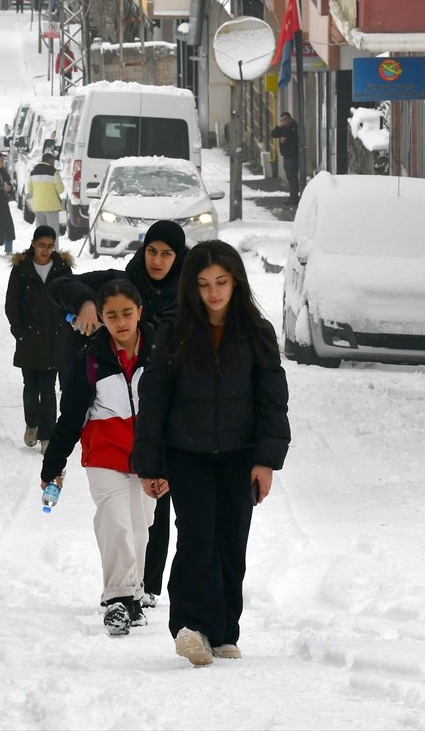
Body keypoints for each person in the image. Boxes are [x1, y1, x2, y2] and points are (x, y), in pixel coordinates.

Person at [131, 239, 290, 667]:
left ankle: (223, 632)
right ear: (192, 287)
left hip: (241, 455)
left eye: (221, 282)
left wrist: (266, 460)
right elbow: (155, 400)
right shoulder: (174, 332)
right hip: (187, 454)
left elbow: (272, 400)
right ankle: (190, 628)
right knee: (197, 536)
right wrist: (150, 463)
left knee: (231, 541)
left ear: (236, 282)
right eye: (203, 284)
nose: (213, 292)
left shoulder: (257, 333)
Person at [47, 219, 189, 610]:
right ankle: (123, 594)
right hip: (108, 422)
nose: (157, 260)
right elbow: (58, 284)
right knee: (117, 516)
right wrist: (85, 302)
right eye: (152, 251)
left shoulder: (188, 296)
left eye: (167, 254)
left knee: (148, 516)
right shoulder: (119, 282)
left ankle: (145, 587)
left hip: (156, 426)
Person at [41, 279, 156, 637]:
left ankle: (134, 595)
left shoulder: (160, 353)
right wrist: (53, 465)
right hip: (105, 454)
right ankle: (118, 599)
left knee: (140, 526)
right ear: (102, 318)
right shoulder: (90, 359)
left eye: (127, 313)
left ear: (139, 312)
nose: (120, 322)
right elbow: (71, 417)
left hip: (148, 456)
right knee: (114, 520)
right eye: (112, 315)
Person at [6, 225, 74, 452]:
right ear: (33, 244)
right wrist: (20, 331)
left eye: (50, 246)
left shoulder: (62, 269)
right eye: (41, 245)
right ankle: (31, 425)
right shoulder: (21, 269)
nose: (45, 251)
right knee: (30, 387)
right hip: (29, 338)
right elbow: (12, 304)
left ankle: (47, 436)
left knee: (48, 388)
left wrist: (66, 326)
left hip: (55, 338)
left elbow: (71, 299)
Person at [28, 152, 64, 234]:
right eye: (53, 161)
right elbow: (61, 190)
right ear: (50, 161)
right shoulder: (53, 172)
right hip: (52, 207)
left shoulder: (33, 173)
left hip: (38, 207)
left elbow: (29, 189)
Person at [270, 111, 300, 203]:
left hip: (293, 156)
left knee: (292, 176)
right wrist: (279, 126)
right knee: (289, 177)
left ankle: (295, 197)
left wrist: (286, 139)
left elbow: (296, 139)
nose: (284, 122)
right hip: (286, 156)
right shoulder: (283, 128)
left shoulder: (295, 127)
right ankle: (292, 195)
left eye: (285, 119)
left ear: (290, 119)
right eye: (282, 120)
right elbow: (274, 134)